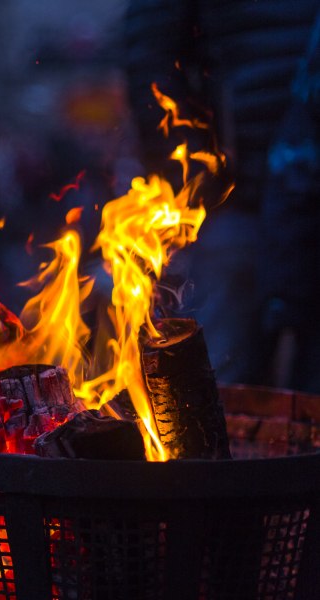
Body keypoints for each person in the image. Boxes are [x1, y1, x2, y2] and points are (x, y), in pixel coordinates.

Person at [124, 0, 320, 390]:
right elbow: (151, 51)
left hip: (305, 188)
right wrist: (199, 174)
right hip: (238, 197)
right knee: (219, 378)